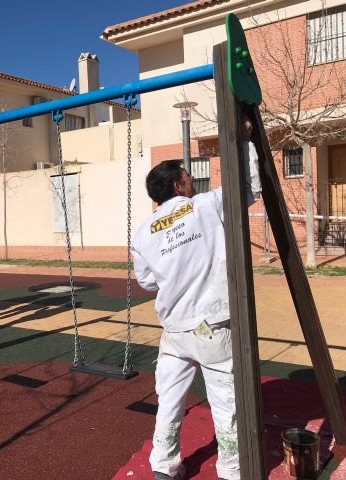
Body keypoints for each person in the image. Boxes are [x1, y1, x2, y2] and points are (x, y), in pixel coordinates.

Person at [131, 118, 261, 480]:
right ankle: (234, 471)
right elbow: (248, 187)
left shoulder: (144, 232)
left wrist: (174, 269)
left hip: (175, 328)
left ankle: (164, 466)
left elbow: (146, 283)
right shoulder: (206, 205)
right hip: (212, 325)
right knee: (225, 402)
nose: (193, 180)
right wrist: (244, 141)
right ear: (178, 185)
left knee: (170, 398)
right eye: (188, 176)